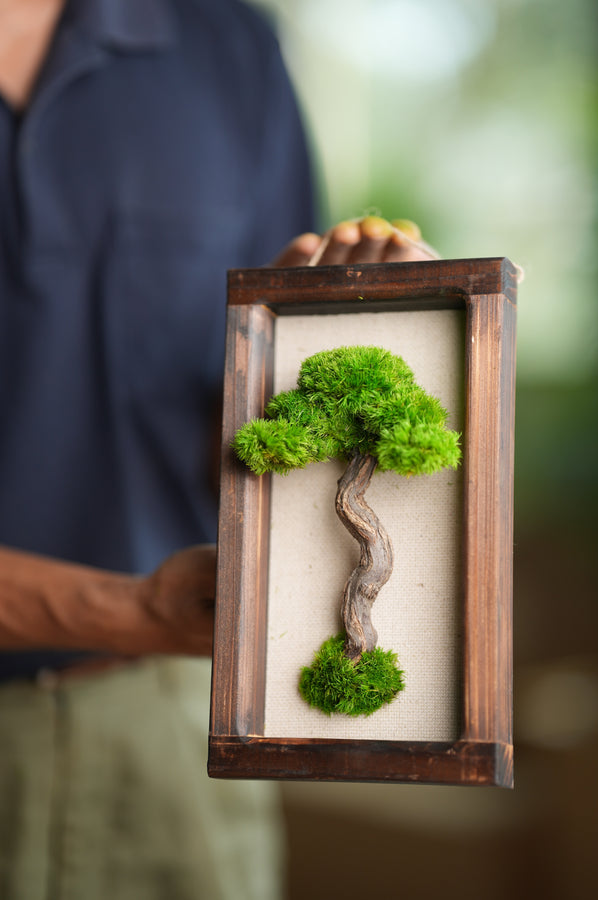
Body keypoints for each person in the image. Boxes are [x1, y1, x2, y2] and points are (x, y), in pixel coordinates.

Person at [0, 1, 434, 897]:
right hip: (162, 638)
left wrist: (351, 332)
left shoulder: (228, 50)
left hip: (171, 736)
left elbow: (236, 442)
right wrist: (133, 610)